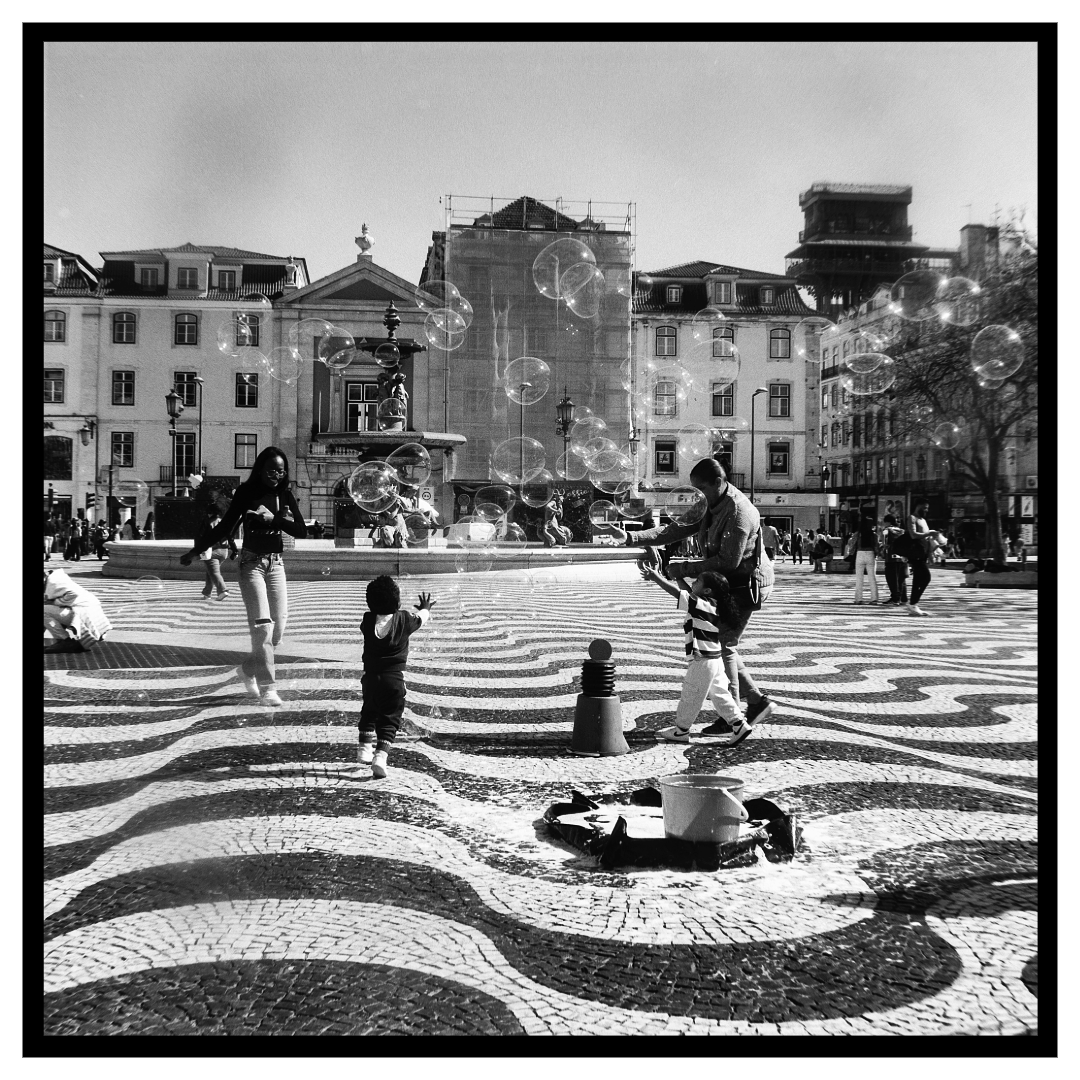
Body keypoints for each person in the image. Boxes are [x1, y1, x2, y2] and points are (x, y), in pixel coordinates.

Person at [628, 458, 776, 735]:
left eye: (702, 488)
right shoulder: (709, 502)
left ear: (719, 483)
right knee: (722, 642)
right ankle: (755, 701)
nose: (698, 495)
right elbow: (676, 529)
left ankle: (732, 717)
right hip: (727, 582)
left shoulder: (739, 512)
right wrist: (632, 538)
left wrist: (683, 569)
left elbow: (729, 561)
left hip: (747, 583)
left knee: (724, 645)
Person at [179, 447, 307, 706]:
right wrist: (195, 550)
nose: (276, 475)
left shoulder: (285, 494)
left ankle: (248, 670)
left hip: (276, 565)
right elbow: (226, 526)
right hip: (251, 565)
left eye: (281, 471)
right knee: (262, 629)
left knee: (277, 632)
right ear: (260, 469)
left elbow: (302, 531)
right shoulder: (247, 493)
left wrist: (275, 520)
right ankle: (268, 687)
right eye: (271, 470)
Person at [640, 563, 759, 747]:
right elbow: (689, 594)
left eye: (697, 581)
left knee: (691, 694)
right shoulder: (713, 605)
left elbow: (680, 594)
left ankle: (681, 730)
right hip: (715, 658)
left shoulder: (700, 604)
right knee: (720, 695)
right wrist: (678, 578)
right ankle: (739, 724)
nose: (693, 583)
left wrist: (656, 578)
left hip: (702, 659)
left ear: (707, 590)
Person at [358, 575, 435, 778]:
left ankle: (364, 749)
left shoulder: (367, 620)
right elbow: (421, 619)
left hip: (370, 679)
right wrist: (425, 608)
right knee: (390, 719)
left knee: (369, 710)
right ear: (398, 602)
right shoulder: (404, 619)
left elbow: (366, 627)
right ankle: (380, 757)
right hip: (394, 681)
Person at [44, 568, 113, 652]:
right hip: (84, 611)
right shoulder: (54, 578)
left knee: (45, 610)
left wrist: (56, 602)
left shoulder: (53, 581)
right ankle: (64, 641)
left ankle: (65, 641)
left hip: (83, 613)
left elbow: (73, 593)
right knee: (47, 610)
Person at [197, 508, 236, 601]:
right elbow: (230, 537)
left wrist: (197, 550)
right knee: (210, 571)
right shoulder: (224, 523)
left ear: (210, 514)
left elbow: (200, 537)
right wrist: (234, 550)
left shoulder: (207, 522)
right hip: (224, 551)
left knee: (214, 572)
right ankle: (207, 593)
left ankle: (223, 590)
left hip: (210, 550)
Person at [904, 500, 934, 616]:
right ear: (918, 506)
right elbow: (913, 534)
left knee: (917, 580)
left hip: (923, 554)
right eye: (924, 507)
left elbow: (926, 539)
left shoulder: (923, 520)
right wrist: (929, 534)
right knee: (926, 577)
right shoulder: (912, 518)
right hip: (915, 554)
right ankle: (913, 603)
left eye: (927, 508)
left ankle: (913, 605)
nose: (926, 510)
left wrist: (930, 553)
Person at [852, 508, 880, 604]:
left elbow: (852, 543)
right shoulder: (874, 535)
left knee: (859, 578)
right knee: (872, 578)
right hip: (870, 554)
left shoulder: (858, 533)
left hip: (860, 554)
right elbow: (876, 546)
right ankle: (874, 598)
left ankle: (858, 599)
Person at [879, 514, 909, 606]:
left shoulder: (886, 530)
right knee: (901, 579)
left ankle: (895, 599)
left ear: (888, 522)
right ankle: (903, 598)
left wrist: (882, 550)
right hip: (903, 558)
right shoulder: (902, 531)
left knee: (892, 579)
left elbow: (884, 543)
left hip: (891, 557)